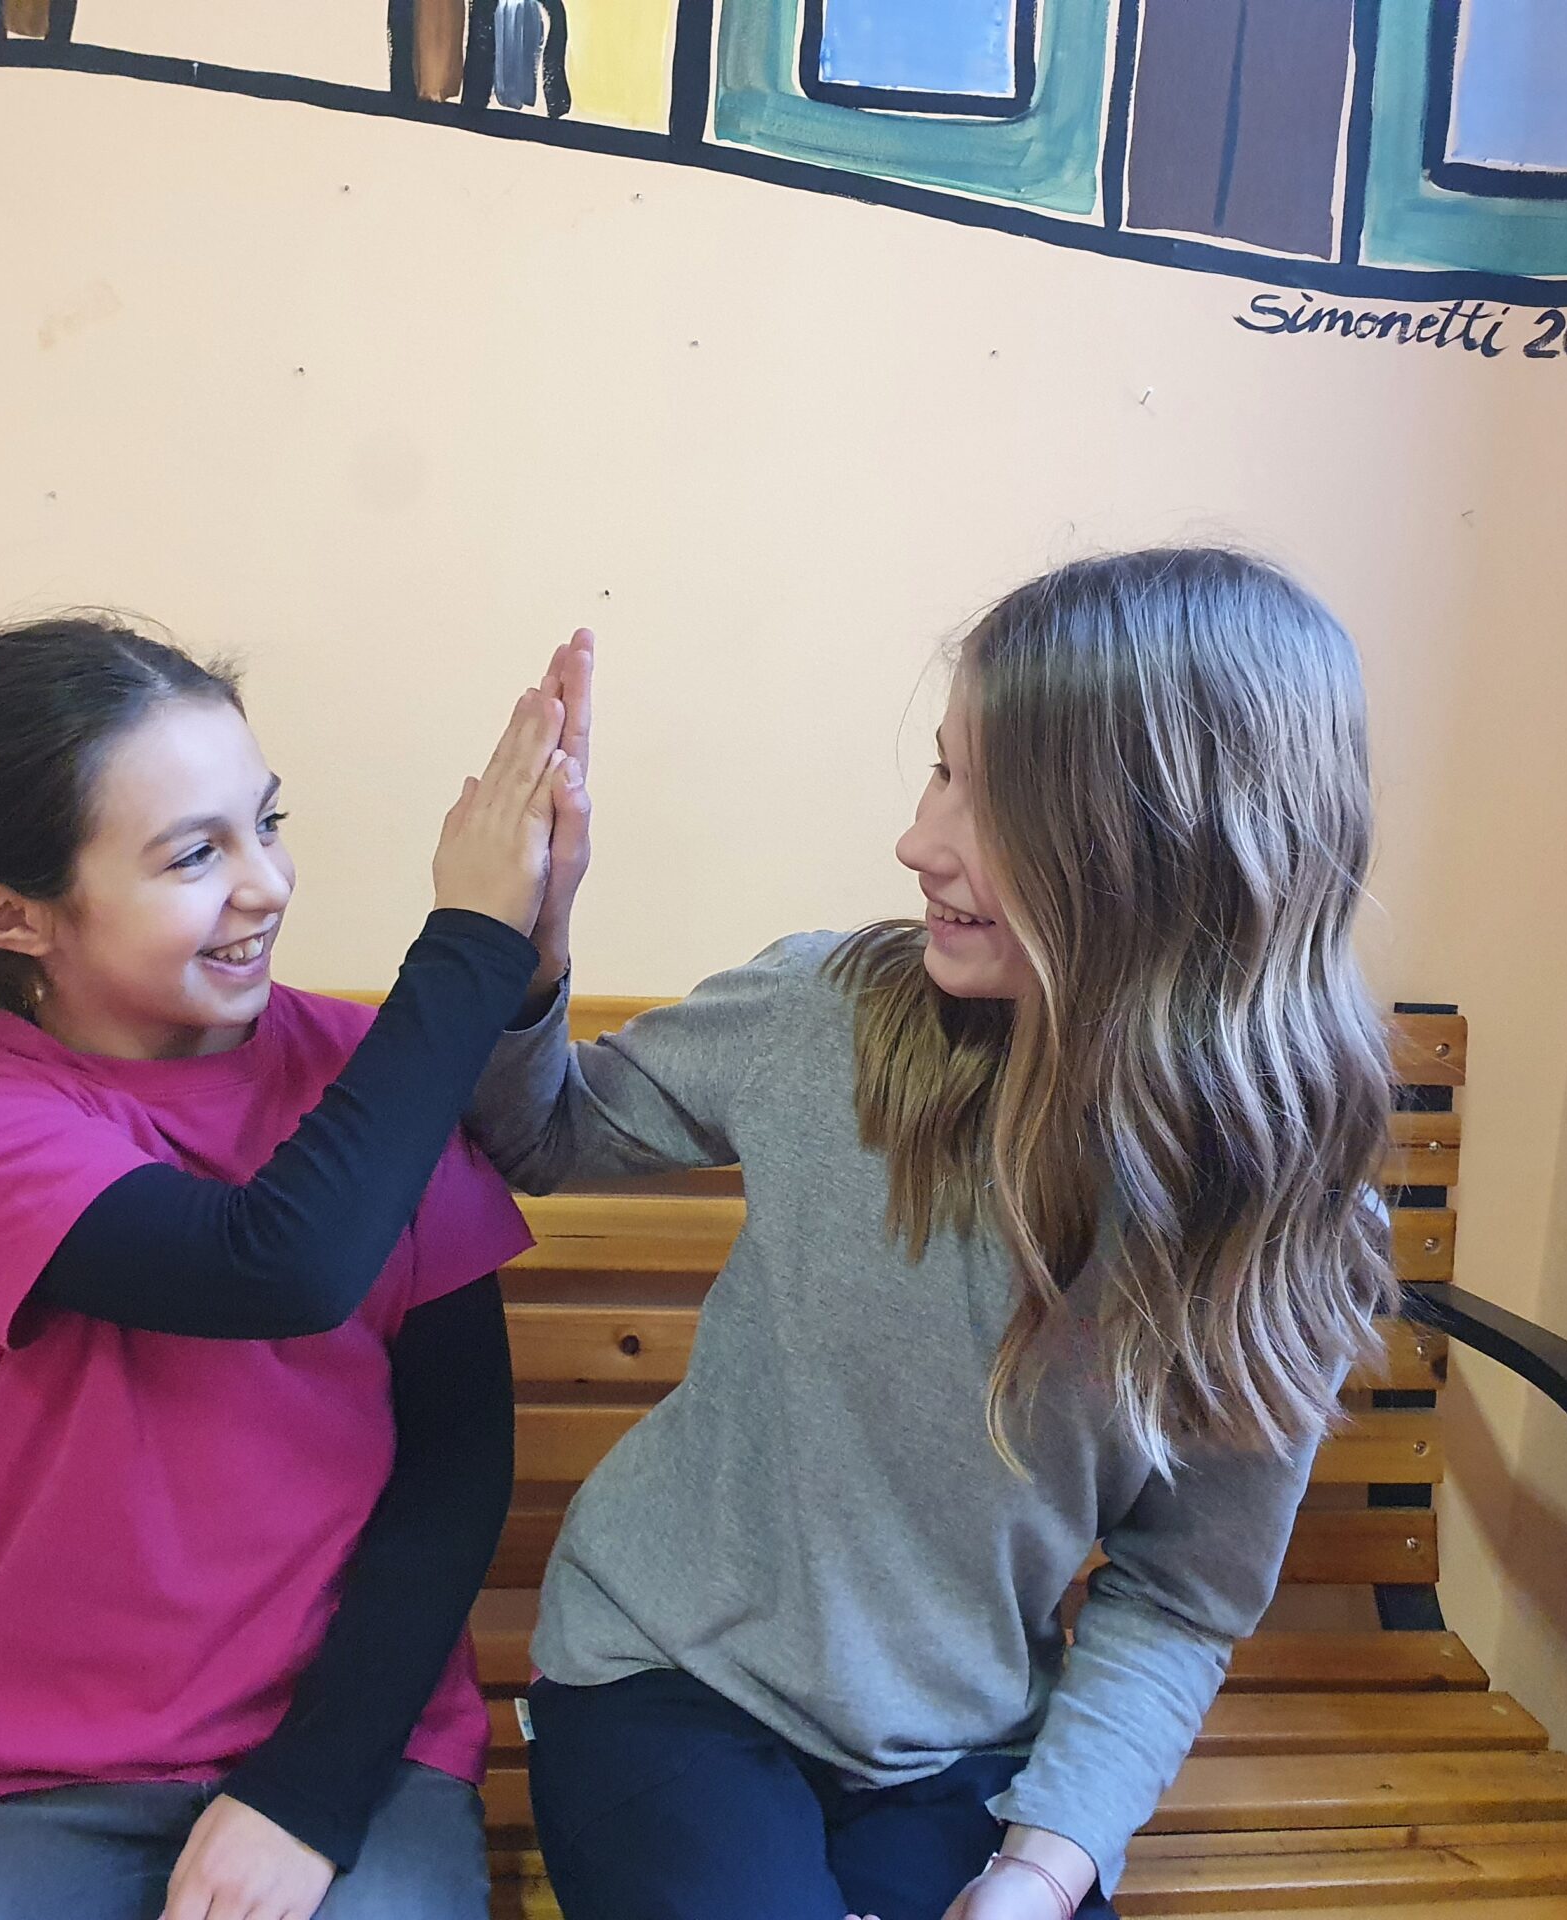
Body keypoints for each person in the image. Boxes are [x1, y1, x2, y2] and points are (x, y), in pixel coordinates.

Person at [476, 551, 1397, 1920]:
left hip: (966, 1751)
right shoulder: (828, 1014)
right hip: (663, 1681)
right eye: (942, 770)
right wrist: (528, 941)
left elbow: (1182, 1596)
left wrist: (1047, 1862)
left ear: (1174, 850)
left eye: (997, 798)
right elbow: (541, 1136)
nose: (920, 842)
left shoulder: (1283, 1222)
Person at [0, 613, 587, 1920]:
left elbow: (456, 1465)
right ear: (12, 913)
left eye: (267, 822)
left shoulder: (369, 1074)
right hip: (51, 1765)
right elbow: (276, 1268)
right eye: (196, 854)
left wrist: (305, 1795)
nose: (267, 884)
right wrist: (470, 943)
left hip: (359, 1745)